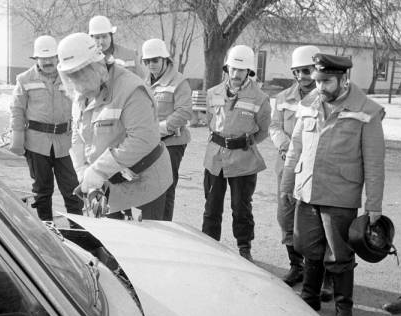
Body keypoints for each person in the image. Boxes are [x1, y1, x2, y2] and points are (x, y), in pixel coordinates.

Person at [280, 53, 385, 316]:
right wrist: (287, 185)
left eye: (326, 82)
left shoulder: (367, 111)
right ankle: (310, 298)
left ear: (343, 79)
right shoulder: (309, 104)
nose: (320, 87)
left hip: (340, 195)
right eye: (317, 81)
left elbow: (374, 163)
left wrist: (373, 206)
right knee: (307, 248)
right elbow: (296, 148)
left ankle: (343, 309)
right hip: (307, 190)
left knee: (339, 255)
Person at [57, 32, 172, 220]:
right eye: (71, 77)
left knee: (145, 244)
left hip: (144, 181)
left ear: (97, 67)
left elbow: (142, 140)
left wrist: (98, 170)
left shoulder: (131, 89)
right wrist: (82, 171)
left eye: (80, 76)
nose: (78, 86)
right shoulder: (81, 93)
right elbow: (78, 136)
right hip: (109, 182)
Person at [201, 45, 271, 262]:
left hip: (243, 158)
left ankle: (244, 247)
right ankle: (209, 246)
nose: (237, 73)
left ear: (249, 71)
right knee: (211, 205)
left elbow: (263, 130)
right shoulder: (213, 93)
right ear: (227, 68)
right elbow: (210, 121)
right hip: (215, 158)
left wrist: (242, 141)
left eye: (242, 70)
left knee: (241, 207)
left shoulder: (260, 98)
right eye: (233, 68)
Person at [9, 35, 83, 221]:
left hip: (66, 143)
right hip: (36, 143)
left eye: (51, 57)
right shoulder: (24, 79)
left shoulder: (70, 76)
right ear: (36, 59)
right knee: (42, 191)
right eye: (43, 58)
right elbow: (17, 109)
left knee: (73, 189)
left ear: (58, 57)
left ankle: (79, 232)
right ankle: (47, 231)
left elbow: (83, 104)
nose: (48, 62)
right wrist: (17, 137)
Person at [270, 45, 320, 286]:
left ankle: (326, 275)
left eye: (307, 70)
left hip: (314, 169)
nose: (302, 76)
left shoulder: (326, 98)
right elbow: (274, 126)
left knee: (317, 220)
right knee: (286, 215)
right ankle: (295, 266)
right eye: (298, 71)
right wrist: (284, 145)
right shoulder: (283, 98)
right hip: (287, 165)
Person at [142, 38, 192, 221]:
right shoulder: (144, 82)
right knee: (149, 187)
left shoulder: (179, 81)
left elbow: (184, 112)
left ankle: (164, 227)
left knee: (166, 188)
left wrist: (160, 129)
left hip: (172, 143)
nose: (151, 65)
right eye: (147, 61)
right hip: (149, 143)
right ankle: (151, 225)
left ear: (165, 59)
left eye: (155, 60)